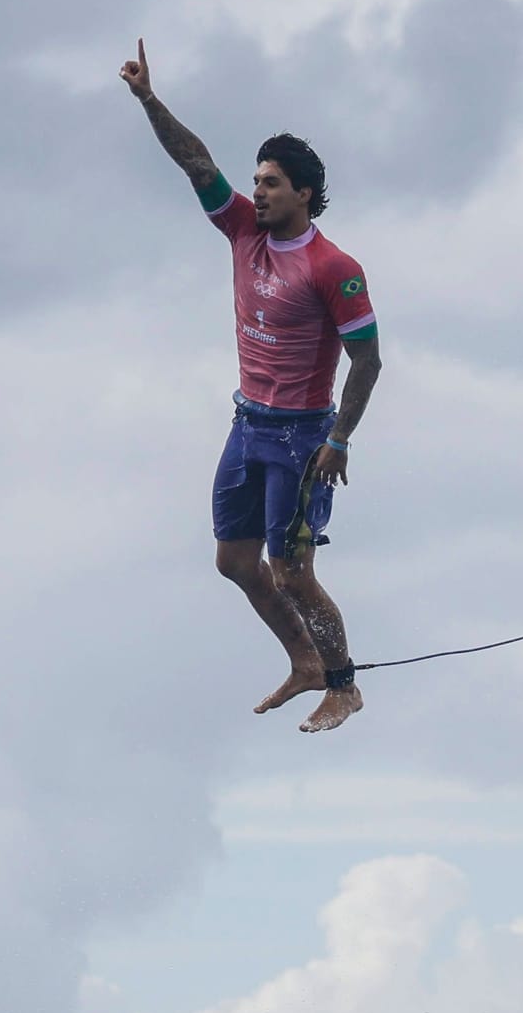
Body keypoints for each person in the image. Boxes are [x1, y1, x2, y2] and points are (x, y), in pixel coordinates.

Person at [120, 39, 382, 733]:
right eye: (256, 180)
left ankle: (344, 685)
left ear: (303, 192)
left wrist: (340, 438)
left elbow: (369, 361)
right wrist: (149, 100)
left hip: (301, 438)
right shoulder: (243, 231)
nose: (256, 191)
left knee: (292, 570)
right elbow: (195, 162)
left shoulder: (334, 267)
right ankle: (304, 661)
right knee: (234, 560)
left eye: (270, 182)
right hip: (247, 425)